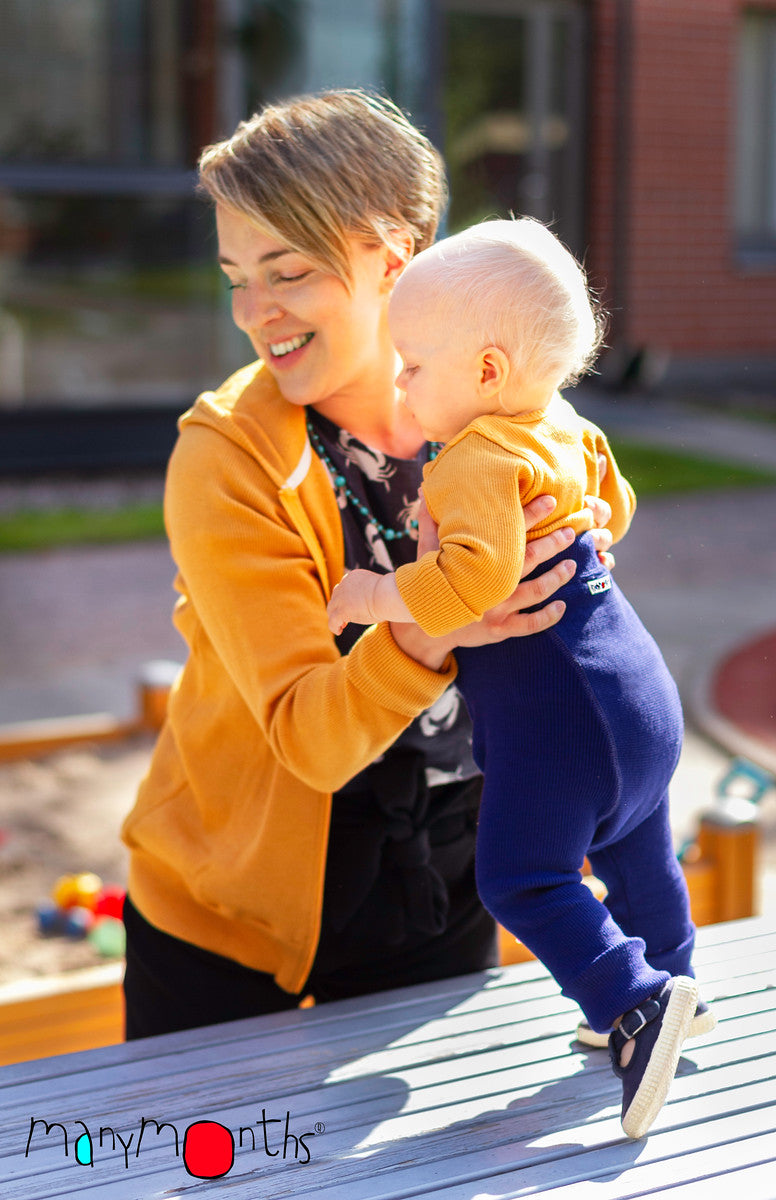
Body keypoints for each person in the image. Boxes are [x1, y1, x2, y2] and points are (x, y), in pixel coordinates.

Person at [120, 91, 615, 1045]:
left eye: (288, 271)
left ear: (394, 257)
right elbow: (307, 735)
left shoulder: (499, 400)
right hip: (230, 916)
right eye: (236, 277)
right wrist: (434, 626)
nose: (254, 313)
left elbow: (580, 570)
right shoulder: (226, 457)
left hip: (447, 876)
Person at [326, 217, 715, 1139]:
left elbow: (474, 584)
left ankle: (635, 1004)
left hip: (559, 715)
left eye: (414, 364)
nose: (400, 382)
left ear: (488, 373)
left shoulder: (471, 462)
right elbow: (613, 507)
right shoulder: (564, 426)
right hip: (637, 689)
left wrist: (377, 590)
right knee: (635, 851)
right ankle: (677, 982)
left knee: (523, 877)